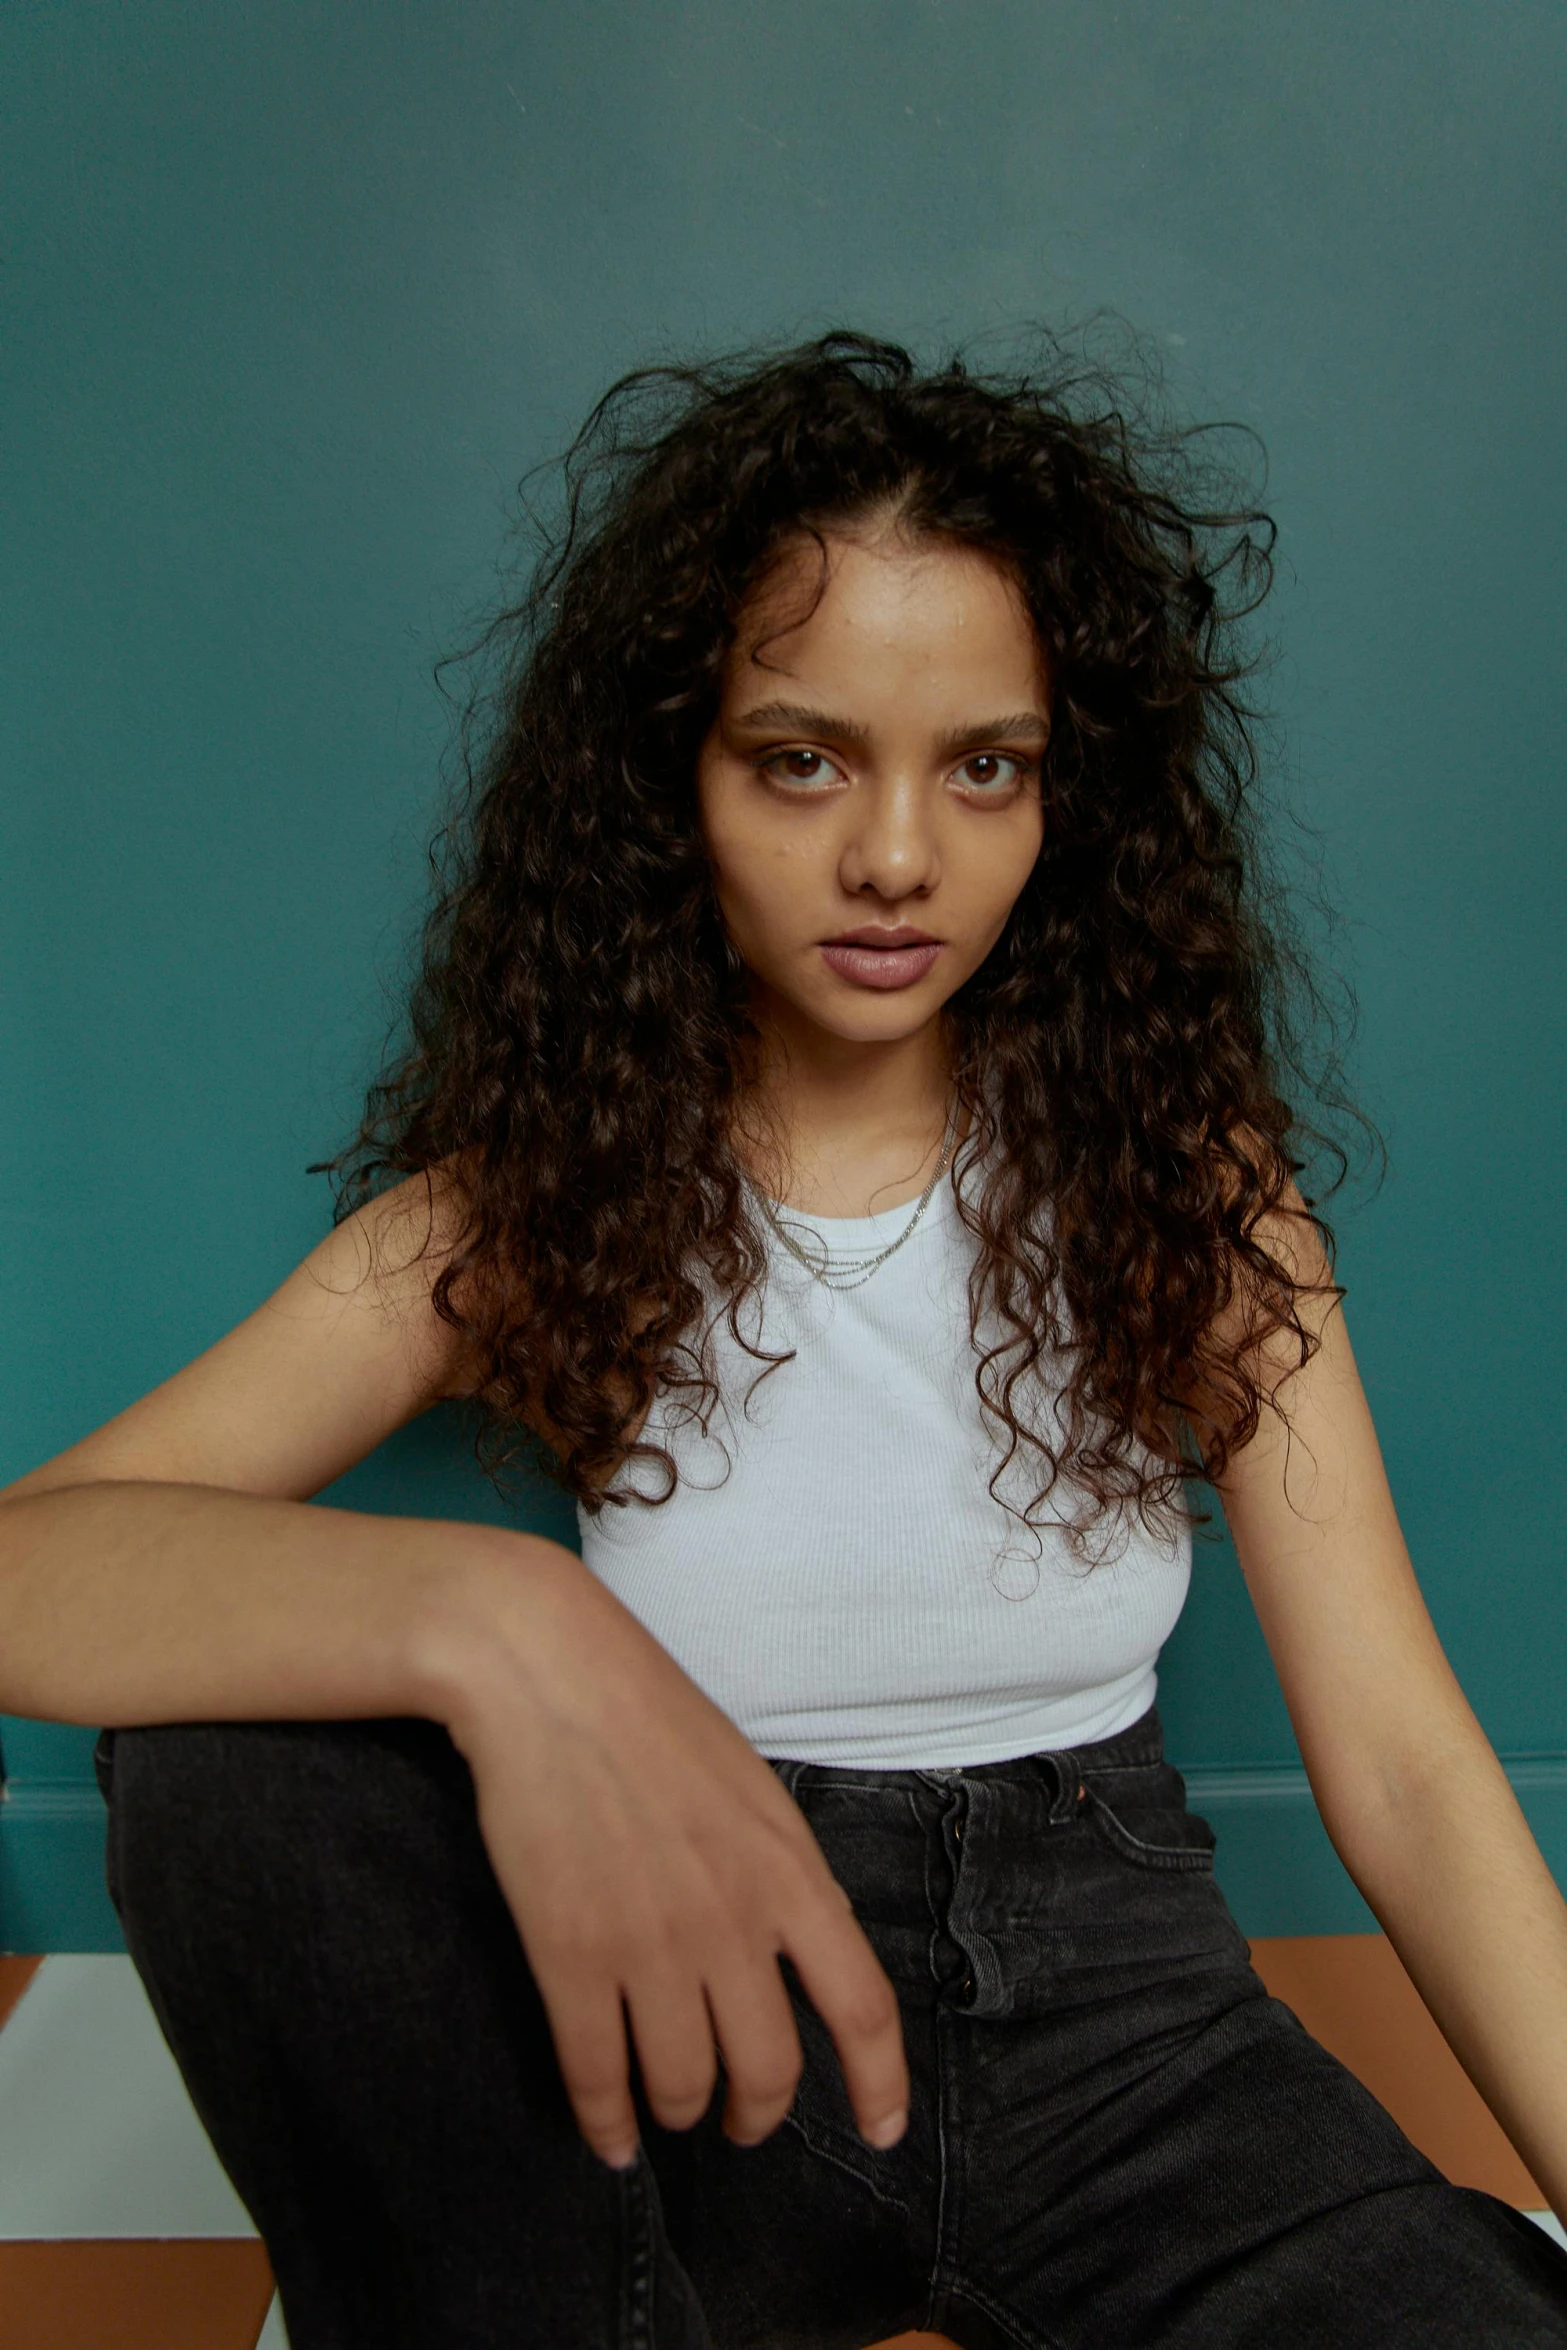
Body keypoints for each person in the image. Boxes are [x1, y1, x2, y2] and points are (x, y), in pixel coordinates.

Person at [3, 329, 1566, 2350]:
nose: (898, 854)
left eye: (984, 764)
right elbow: (35, 1560)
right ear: (677, 775)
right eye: (803, 755)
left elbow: (1411, 1769)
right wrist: (512, 1624)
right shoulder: (529, 1207)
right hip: (689, 2019)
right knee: (228, 1747)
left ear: (1063, 794)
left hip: (1130, 2037)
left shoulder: (1189, 1186)